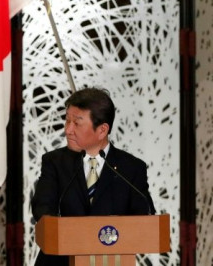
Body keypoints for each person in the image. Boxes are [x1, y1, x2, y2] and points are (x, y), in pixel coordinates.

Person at [31, 87, 155, 266]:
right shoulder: (55, 162)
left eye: (77, 123)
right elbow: (42, 208)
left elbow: (144, 215)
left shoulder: (132, 168)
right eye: (67, 121)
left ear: (102, 130)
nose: (68, 130)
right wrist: (68, 232)